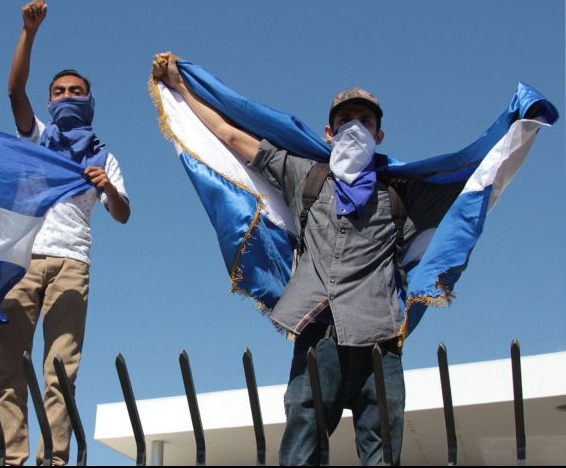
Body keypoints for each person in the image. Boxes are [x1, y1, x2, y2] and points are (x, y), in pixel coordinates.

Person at [152, 52, 465, 465]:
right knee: (300, 453)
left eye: (365, 121)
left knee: (383, 456)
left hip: (382, 345)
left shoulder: (400, 195)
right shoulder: (308, 176)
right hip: (321, 337)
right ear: (329, 132)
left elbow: (473, 177)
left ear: (379, 136)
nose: (355, 127)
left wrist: (516, 130)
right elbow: (231, 136)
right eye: (345, 121)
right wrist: (181, 87)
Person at [0, 0, 130, 466]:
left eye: (75, 91)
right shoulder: (37, 140)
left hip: (72, 264)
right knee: (10, 367)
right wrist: (28, 33)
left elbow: (122, 213)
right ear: (50, 101)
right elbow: (14, 92)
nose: (67, 96)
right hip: (23, 261)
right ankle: (12, 458)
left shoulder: (103, 157)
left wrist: (109, 188)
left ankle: (54, 458)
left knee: (60, 371)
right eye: (59, 91)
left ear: (89, 101)